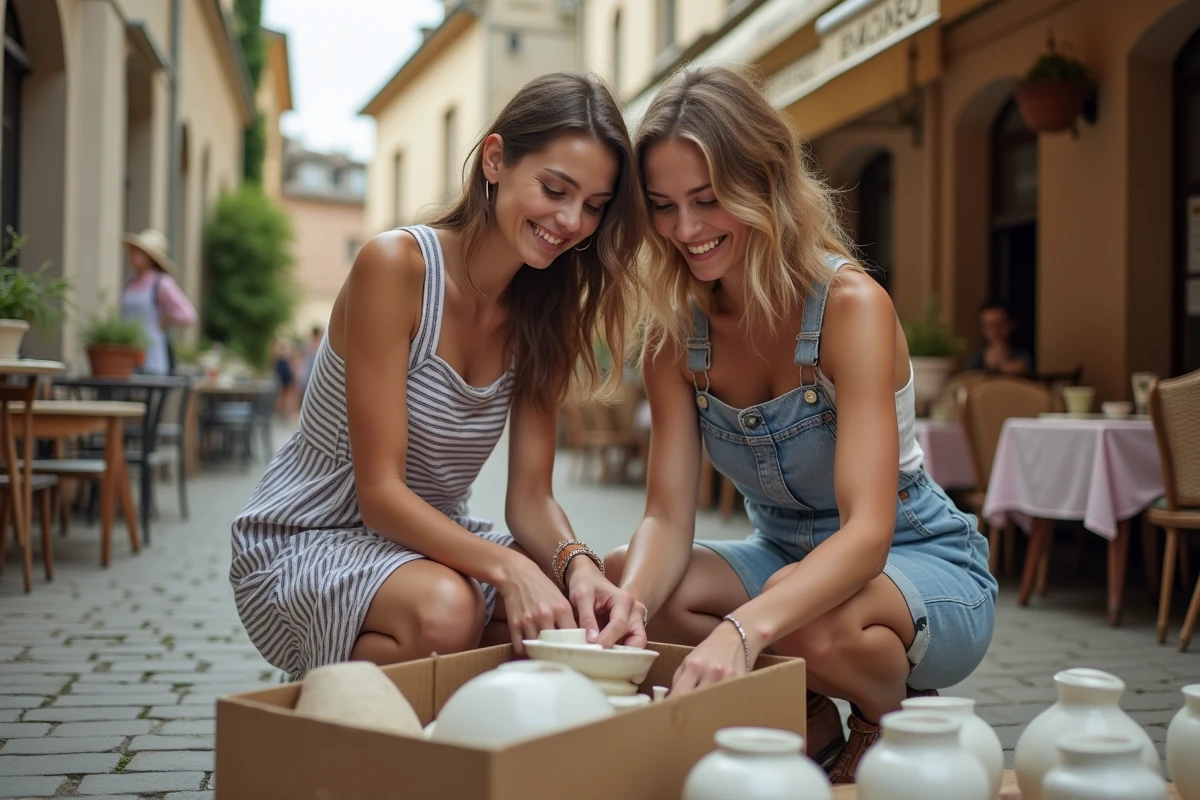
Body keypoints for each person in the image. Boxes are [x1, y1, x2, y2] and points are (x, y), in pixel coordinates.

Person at [603, 65, 998, 785]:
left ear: (765, 183)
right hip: (781, 552)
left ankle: (889, 710)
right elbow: (665, 513)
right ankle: (813, 711)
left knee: (808, 625)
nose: (685, 230)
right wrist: (627, 607)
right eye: (662, 206)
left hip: (917, 561)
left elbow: (868, 532)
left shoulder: (850, 306)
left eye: (708, 198)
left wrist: (743, 629)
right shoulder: (672, 335)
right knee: (625, 579)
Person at [230, 72, 648, 681]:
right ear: (496, 158)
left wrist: (575, 564)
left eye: (593, 206)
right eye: (555, 189)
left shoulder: (546, 313)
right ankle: (321, 735)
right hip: (310, 536)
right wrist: (510, 568)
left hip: (428, 549)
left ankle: (464, 751)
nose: (571, 220)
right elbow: (380, 495)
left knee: (573, 624)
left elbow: (531, 497)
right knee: (450, 612)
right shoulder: (396, 267)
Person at [120, 228, 198, 375]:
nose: (132, 255)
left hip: (151, 354)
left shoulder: (161, 283)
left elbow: (188, 314)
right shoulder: (129, 283)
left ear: (149, 257)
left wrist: (167, 320)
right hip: (128, 352)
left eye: (137, 251)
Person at [965, 300, 1032, 375]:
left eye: (1000, 325)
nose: (995, 332)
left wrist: (1001, 364)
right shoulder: (976, 360)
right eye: (989, 326)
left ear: (1011, 325)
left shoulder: (1022, 355)